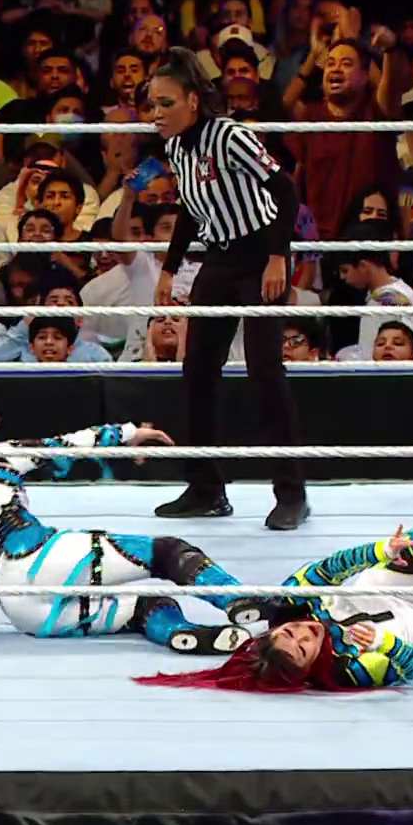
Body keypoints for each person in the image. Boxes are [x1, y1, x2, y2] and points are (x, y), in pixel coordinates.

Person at [138, 418, 413, 692]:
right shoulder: (347, 669)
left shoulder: (287, 604)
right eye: (303, 646)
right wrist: (383, 642)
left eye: (289, 633)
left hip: (381, 587)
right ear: (309, 667)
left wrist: (381, 550)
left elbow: (329, 568)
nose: (304, 632)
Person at [0, 393, 264, 653]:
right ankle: (247, 604)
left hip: (25, 614)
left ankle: (181, 632)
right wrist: (130, 432)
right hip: (43, 561)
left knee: (142, 607)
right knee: (167, 553)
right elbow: (69, 444)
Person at [144, 47, 308, 530]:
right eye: (152, 105)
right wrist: (170, 269)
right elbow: (191, 209)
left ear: (193, 101)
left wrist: (277, 257)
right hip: (218, 259)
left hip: (260, 256)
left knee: (265, 371)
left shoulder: (231, 136)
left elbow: (285, 190)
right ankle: (206, 487)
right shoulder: (176, 148)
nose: (156, 114)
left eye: (166, 103)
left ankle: (292, 493)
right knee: (196, 370)